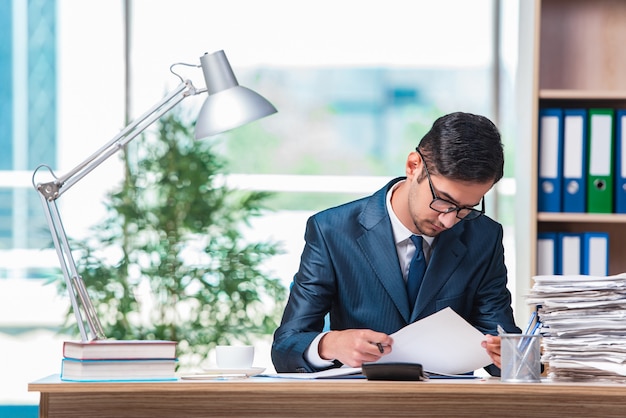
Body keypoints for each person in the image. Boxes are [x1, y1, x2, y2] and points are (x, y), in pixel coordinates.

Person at [271, 111, 521, 375]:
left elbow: (501, 340)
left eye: (466, 208)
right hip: (360, 404)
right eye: (444, 201)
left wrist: (510, 356)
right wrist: (330, 344)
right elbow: (286, 346)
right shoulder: (332, 230)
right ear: (414, 166)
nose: (449, 221)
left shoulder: (483, 236)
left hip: (448, 405)